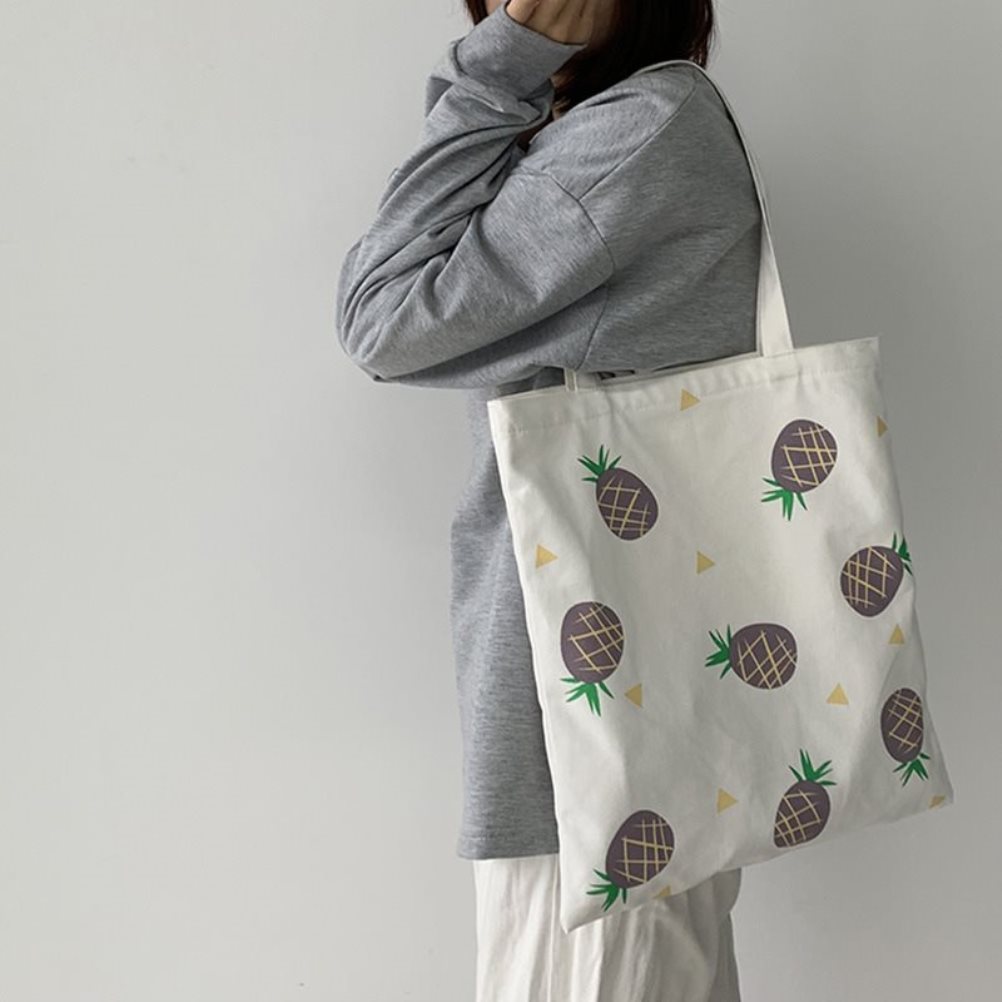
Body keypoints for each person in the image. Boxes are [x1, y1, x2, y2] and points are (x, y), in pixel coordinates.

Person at [335, 1, 756, 998]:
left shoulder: (638, 133)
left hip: (590, 758)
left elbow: (383, 316)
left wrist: (500, 68)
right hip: (608, 736)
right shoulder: (599, 134)